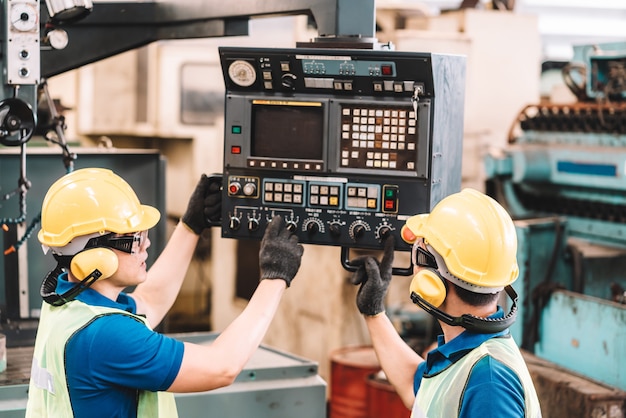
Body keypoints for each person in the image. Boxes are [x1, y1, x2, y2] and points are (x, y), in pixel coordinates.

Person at [26, 167, 304, 418]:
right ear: (96, 254)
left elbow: (151, 300)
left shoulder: (66, 301)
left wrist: (191, 226)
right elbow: (223, 366)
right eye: (135, 239)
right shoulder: (105, 335)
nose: (145, 245)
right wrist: (275, 276)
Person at [350, 188, 542, 418]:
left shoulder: (488, 383)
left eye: (418, 255)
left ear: (432, 280)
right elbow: (417, 388)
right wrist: (374, 313)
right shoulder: (466, 354)